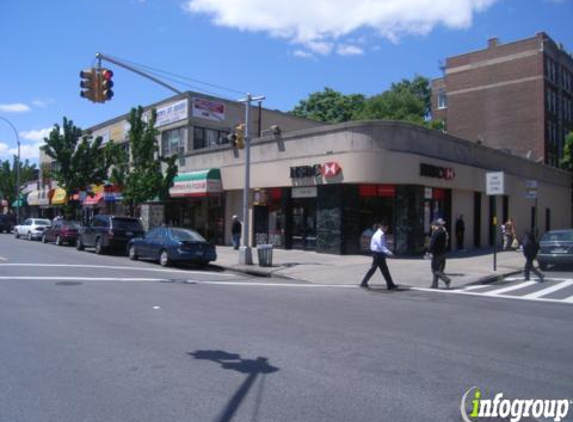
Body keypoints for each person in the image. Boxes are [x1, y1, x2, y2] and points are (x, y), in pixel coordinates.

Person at [360, 222, 398, 290]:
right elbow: (381, 246)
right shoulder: (379, 235)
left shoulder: (380, 234)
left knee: (379, 269)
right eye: (386, 228)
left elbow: (383, 244)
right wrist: (389, 253)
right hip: (378, 254)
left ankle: (390, 284)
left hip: (378, 254)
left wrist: (388, 246)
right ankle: (390, 285)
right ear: (383, 227)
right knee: (380, 269)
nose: (387, 229)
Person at [429, 218, 451, 289]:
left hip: (436, 253)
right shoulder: (444, 232)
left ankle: (446, 279)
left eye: (433, 225)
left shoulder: (436, 232)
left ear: (436, 225)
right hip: (442, 252)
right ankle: (434, 285)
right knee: (437, 269)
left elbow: (433, 243)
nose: (432, 227)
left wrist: (429, 251)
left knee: (434, 269)